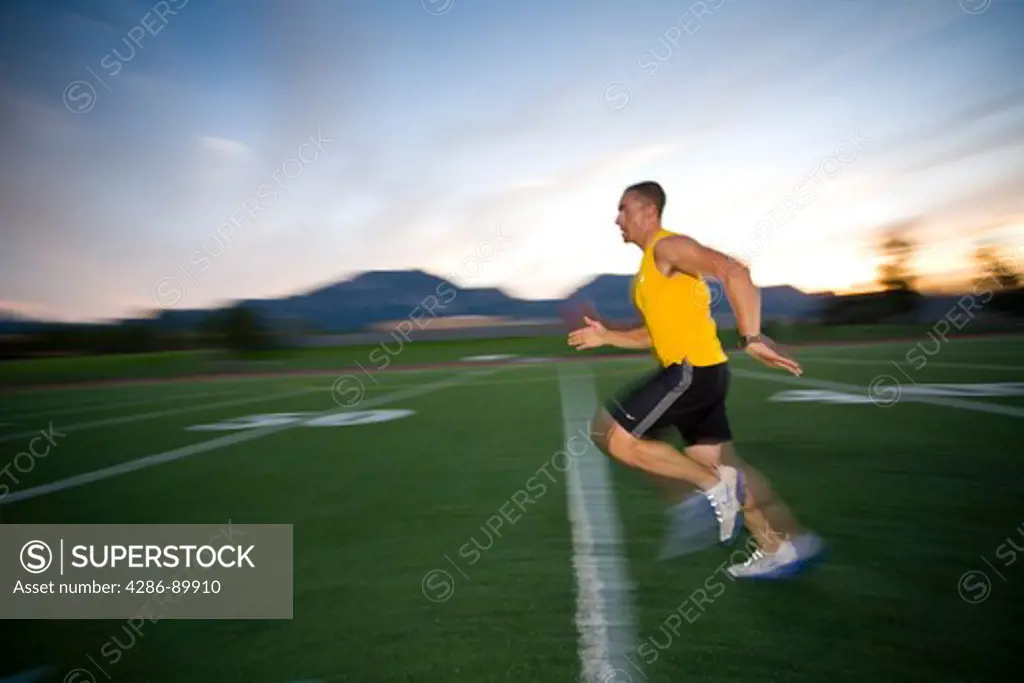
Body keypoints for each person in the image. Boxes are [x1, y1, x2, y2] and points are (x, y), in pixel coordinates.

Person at [567, 180, 822, 579]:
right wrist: (607, 335)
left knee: (613, 436)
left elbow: (734, 271)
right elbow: (653, 335)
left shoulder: (667, 247)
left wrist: (751, 336)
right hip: (701, 373)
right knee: (723, 465)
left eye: (624, 209)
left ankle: (712, 488)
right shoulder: (648, 273)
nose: (617, 219)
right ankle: (780, 546)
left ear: (649, 212)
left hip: (690, 373)